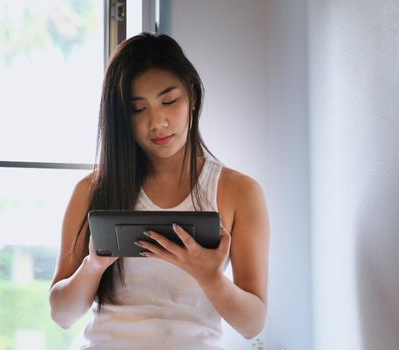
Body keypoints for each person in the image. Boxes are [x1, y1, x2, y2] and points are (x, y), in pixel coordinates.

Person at [49, 32, 270, 349]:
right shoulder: (91, 190)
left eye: (169, 101)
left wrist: (210, 277)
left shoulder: (239, 192)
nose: (157, 122)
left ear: (192, 95)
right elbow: (62, 315)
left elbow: (252, 324)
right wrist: (93, 265)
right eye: (138, 109)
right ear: (122, 117)